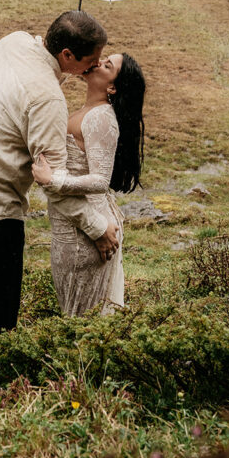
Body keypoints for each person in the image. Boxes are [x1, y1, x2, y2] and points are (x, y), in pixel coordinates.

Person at [0, 10, 120, 343]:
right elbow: (54, 183)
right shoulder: (48, 98)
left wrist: (62, 74)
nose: (95, 65)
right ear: (67, 55)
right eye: (91, 59)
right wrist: (96, 227)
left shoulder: (13, 41)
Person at [32, 52, 145, 316]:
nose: (97, 62)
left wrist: (54, 180)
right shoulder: (89, 111)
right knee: (77, 311)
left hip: (87, 232)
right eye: (104, 57)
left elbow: (100, 180)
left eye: (107, 66)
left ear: (112, 87)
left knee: (82, 316)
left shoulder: (101, 117)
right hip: (74, 223)